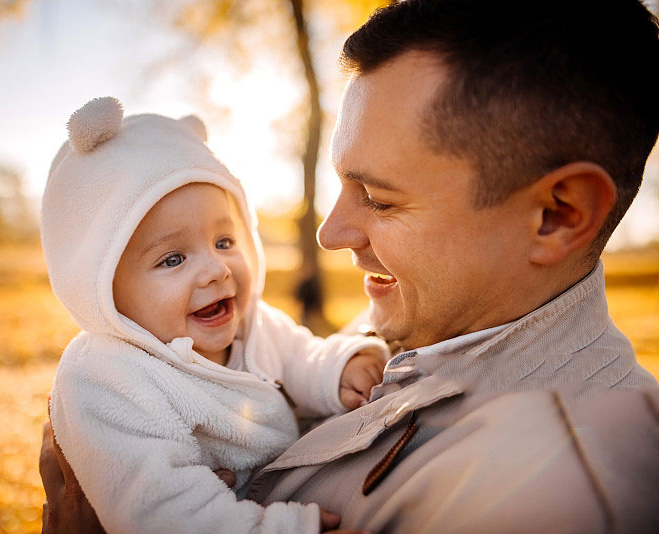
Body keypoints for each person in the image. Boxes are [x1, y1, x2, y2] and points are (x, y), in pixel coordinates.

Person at [40, 0, 659, 531]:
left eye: (380, 197)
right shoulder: (407, 325)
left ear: (556, 215)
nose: (330, 233)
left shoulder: (570, 496)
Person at [40, 97, 391, 534]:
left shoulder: (253, 324)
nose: (217, 269)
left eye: (224, 241)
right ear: (102, 285)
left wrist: (338, 369)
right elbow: (159, 507)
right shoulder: (105, 375)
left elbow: (302, 355)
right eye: (172, 259)